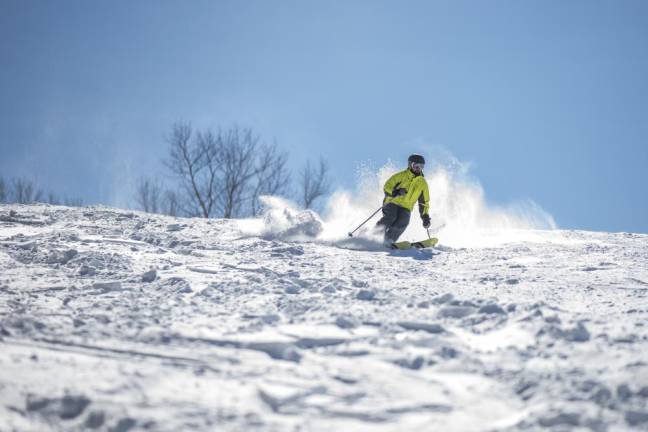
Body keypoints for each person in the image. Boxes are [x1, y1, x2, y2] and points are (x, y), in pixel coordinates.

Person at [376, 154, 431, 246]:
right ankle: (374, 235)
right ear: (410, 165)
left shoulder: (422, 183)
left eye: (421, 166)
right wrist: (395, 192)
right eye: (416, 165)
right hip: (392, 202)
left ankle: (389, 240)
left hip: (406, 207)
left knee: (403, 221)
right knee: (391, 217)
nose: (418, 168)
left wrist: (425, 216)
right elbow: (387, 186)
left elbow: (424, 202)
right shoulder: (401, 176)